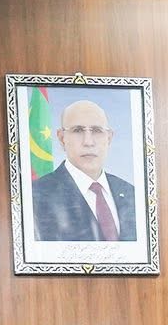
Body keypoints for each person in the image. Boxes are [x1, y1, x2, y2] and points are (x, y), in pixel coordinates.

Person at [32, 99, 138, 244]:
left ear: (109, 138)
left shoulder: (132, 194)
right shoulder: (36, 196)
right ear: (62, 139)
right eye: (78, 130)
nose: (88, 142)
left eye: (97, 130)